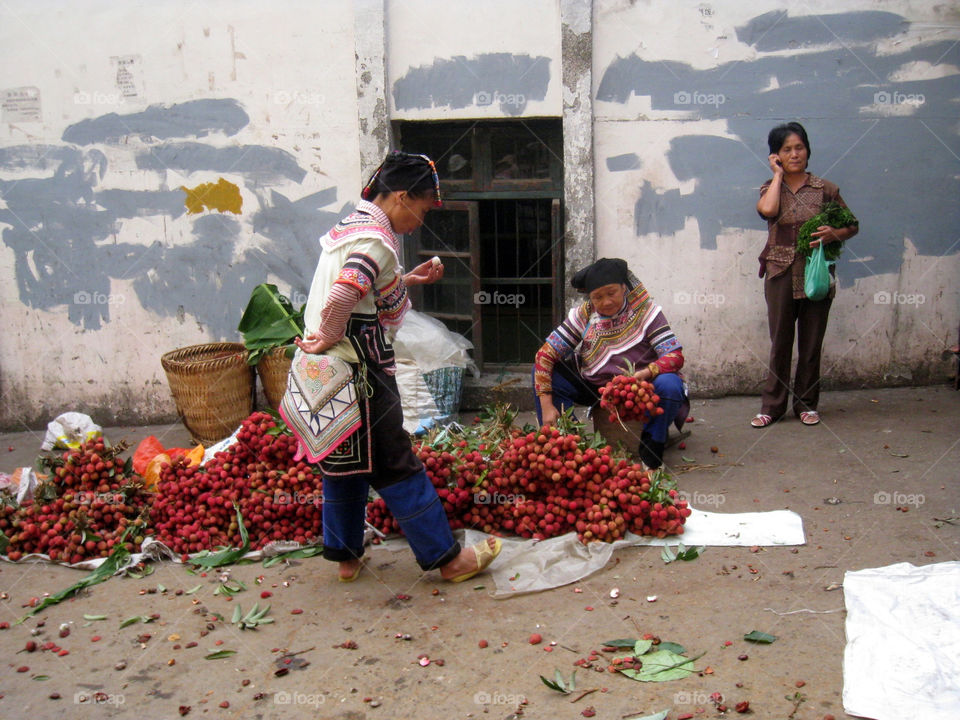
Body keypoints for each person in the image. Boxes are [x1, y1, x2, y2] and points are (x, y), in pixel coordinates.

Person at [280, 151, 501, 583]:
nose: (420, 221)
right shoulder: (377, 241)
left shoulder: (350, 228)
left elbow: (365, 285)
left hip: (322, 374)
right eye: (422, 209)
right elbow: (345, 293)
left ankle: (345, 557)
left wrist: (408, 279)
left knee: (343, 460)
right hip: (358, 375)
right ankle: (448, 559)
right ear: (401, 197)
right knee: (396, 462)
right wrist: (329, 332)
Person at [532, 258, 689, 469]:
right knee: (548, 374)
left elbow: (674, 356)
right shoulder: (584, 315)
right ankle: (570, 447)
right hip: (596, 387)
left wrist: (645, 373)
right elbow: (544, 356)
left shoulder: (646, 312)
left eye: (611, 293)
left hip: (641, 385)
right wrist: (547, 406)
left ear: (624, 288)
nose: (606, 302)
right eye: (597, 297)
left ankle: (652, 447)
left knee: (670, 385)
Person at [752, 122, 859, 428]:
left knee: (811, 343)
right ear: (776, 155)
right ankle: (772, 407)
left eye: (799, 147)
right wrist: (777, 175)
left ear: (808, 151)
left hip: (816, 273)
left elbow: (852, 225)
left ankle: (806, 404)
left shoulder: (826, 189)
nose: (794, 154)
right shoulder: (770, 187)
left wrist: (835, 233)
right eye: (786, 149)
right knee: (780, 343)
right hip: (780, 273)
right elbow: (768, 211)